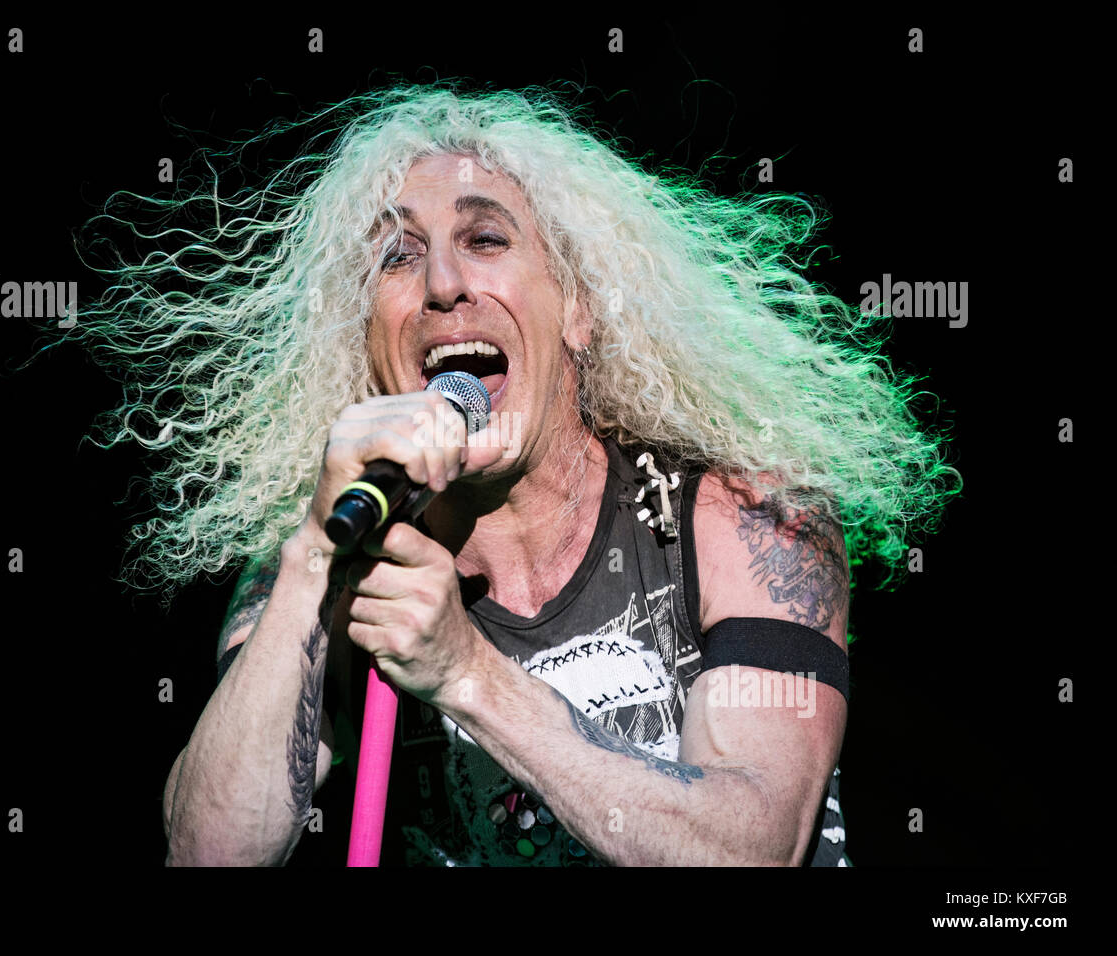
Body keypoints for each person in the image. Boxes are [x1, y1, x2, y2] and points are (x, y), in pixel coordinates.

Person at [70, 86, 958, 866]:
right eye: (398, 256)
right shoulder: (342, 545)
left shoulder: (745, 513)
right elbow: (210, 853)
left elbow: (750, 847)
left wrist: (465, 673)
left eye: (485, 237)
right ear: (365, 339)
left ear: (578, 306)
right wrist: (310, 557)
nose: (444, 284)